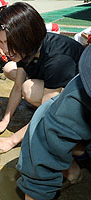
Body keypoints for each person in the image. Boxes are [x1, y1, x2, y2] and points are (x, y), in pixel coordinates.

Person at [0, 2, 84, 154]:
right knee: (10, 68)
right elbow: (16, 88)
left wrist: (12, 140)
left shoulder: (58, 59)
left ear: (27, 37)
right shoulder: (24, 49)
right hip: (52, 80)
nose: (5, 49)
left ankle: (77, 144)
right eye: (1, 42)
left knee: (30, 90)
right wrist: (5, 120)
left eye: (9, 42)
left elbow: (46, 111)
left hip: (83, 101)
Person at [16, 45, 91, 200]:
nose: (4, 51)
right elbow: (45, 132)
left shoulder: (57, 60)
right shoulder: (77, 96)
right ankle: (80, 155)